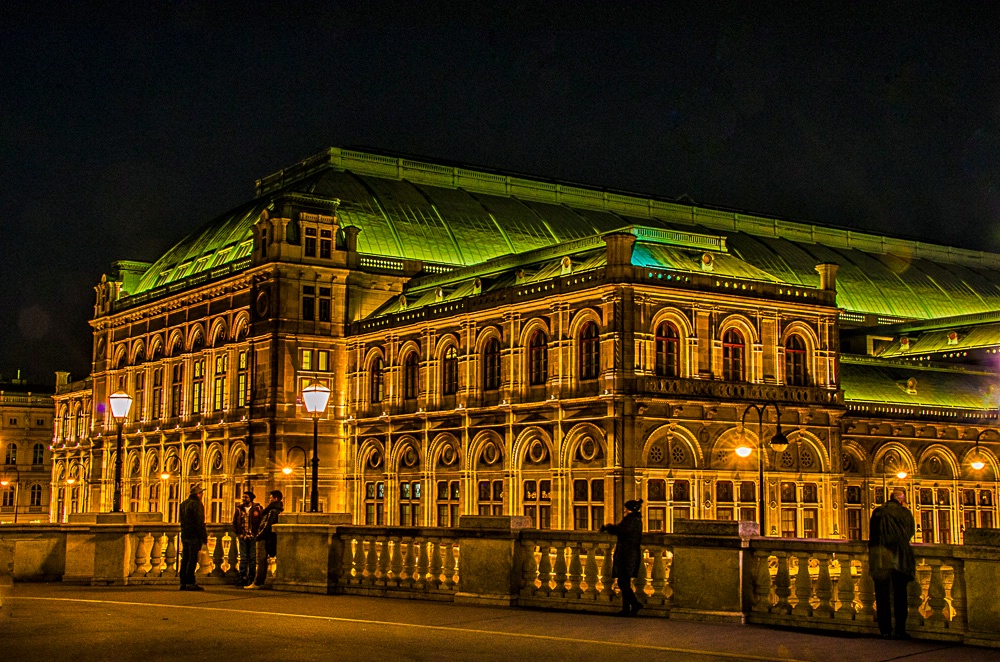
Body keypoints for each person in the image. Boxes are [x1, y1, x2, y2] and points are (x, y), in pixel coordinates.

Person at [868, 487, 916, 639]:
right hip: (900, 559)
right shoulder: (905, 513)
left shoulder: (877, 512)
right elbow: (910, 533)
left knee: (882, 596)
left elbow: (872, 536)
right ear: (901, 499)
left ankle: (885, 630)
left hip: (880, 558)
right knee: (900, 596)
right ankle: (900, 630)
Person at [600, 498, 644, 616]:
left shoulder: (632, 520)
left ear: (630, 510)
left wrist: (608, 527)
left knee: (623, 582)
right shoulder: (635, 519)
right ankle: (627, 608)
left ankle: (634, 604)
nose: (624, 510)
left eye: (626, 508)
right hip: (629, 553)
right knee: (624, 582)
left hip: (627, 554)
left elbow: (622, 531)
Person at [246, 490, 283, 590]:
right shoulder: (278, 509)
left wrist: (259, 536)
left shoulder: (272, 511)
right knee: (263, 560)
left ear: (275, 498)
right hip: (270, 538)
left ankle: (258, 582)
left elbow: (267, 526)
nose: (269, 499)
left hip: (265, 538)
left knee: (261, 560)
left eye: (270, 497)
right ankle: (260, 581)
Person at [178, 484, 208, 591]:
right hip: (194, 535)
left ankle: (183, 582)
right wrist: (204, 538)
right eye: (201, 493)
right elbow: (199, 522)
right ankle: (190, 582)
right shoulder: (197, 504)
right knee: (192, 559)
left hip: (185, 534)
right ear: (198, 494)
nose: (202, 495)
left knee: (185, 559)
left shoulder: (183, 504)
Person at [232, 490, 263, 586]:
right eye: (243, 497)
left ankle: (251, 577)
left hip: (253, 536)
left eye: (246, 497)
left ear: (251, 499)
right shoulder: (239, 509)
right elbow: (234, 522)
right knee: (243, 557)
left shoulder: (257, 508)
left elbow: (261, 521)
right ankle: (242, 577)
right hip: (243, 536)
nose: (243, 499)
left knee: (253, 558)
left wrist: (257, 533)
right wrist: (238, 533)